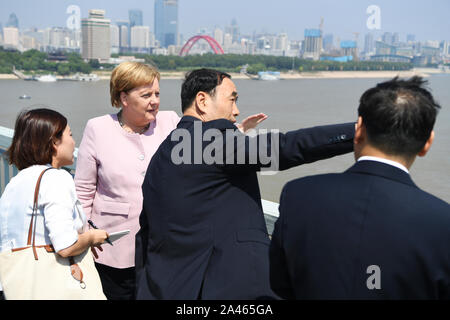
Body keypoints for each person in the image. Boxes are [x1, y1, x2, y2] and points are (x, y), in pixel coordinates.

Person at [135, 68, 356, 300]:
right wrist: (360, 132)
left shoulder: (162, 156)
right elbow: (286, 147)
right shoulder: (209, 143)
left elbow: (145, 236)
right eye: (232, 100)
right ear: (202, 101)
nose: (236, 111)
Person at [74, 62, 265, 300]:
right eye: (146, 95)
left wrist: (238, 131)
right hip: (111, 249)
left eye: (157, 93)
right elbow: (83, 191)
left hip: (163, 249)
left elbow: (204, 144)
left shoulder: (170, 121)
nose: (155, 101)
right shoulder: (98, 128)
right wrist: (83, 238)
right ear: (123, 97)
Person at [269, 76, 450, 300]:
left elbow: (278, 284)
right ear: (427, 144)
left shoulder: (298, 195)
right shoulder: (442, 222)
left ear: (359, 130)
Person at [0, 108, 108, 298]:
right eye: (71, 135)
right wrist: (91, 238)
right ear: (54, 142)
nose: (75, 142)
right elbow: (65, 245)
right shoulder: (56, 179)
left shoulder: (14, 183)